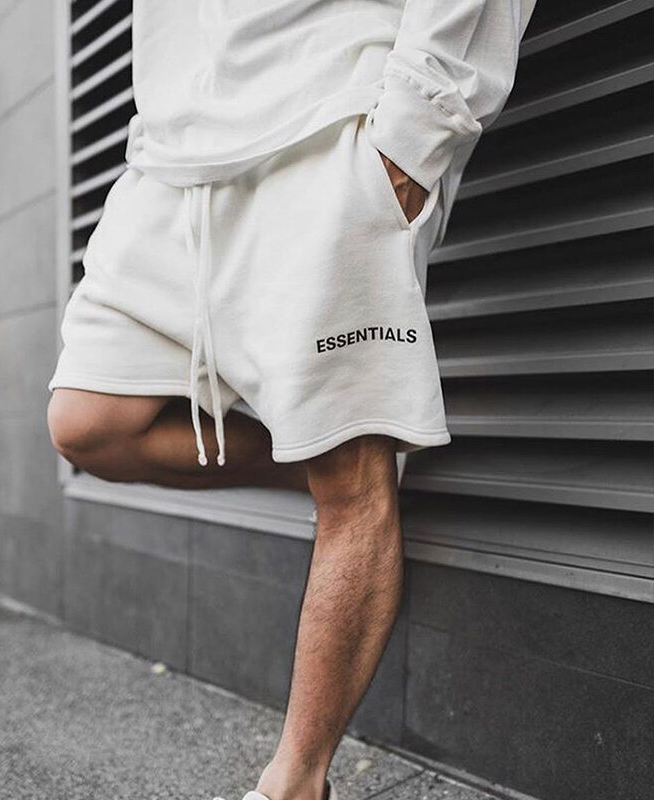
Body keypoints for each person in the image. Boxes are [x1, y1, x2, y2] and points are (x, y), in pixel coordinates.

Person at [47, 1, 537, 798]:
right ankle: (342, 474)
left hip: (328, 124)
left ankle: (297, 783)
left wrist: (412, 139)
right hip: (170, 161)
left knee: (349, 480)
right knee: (86, 424)